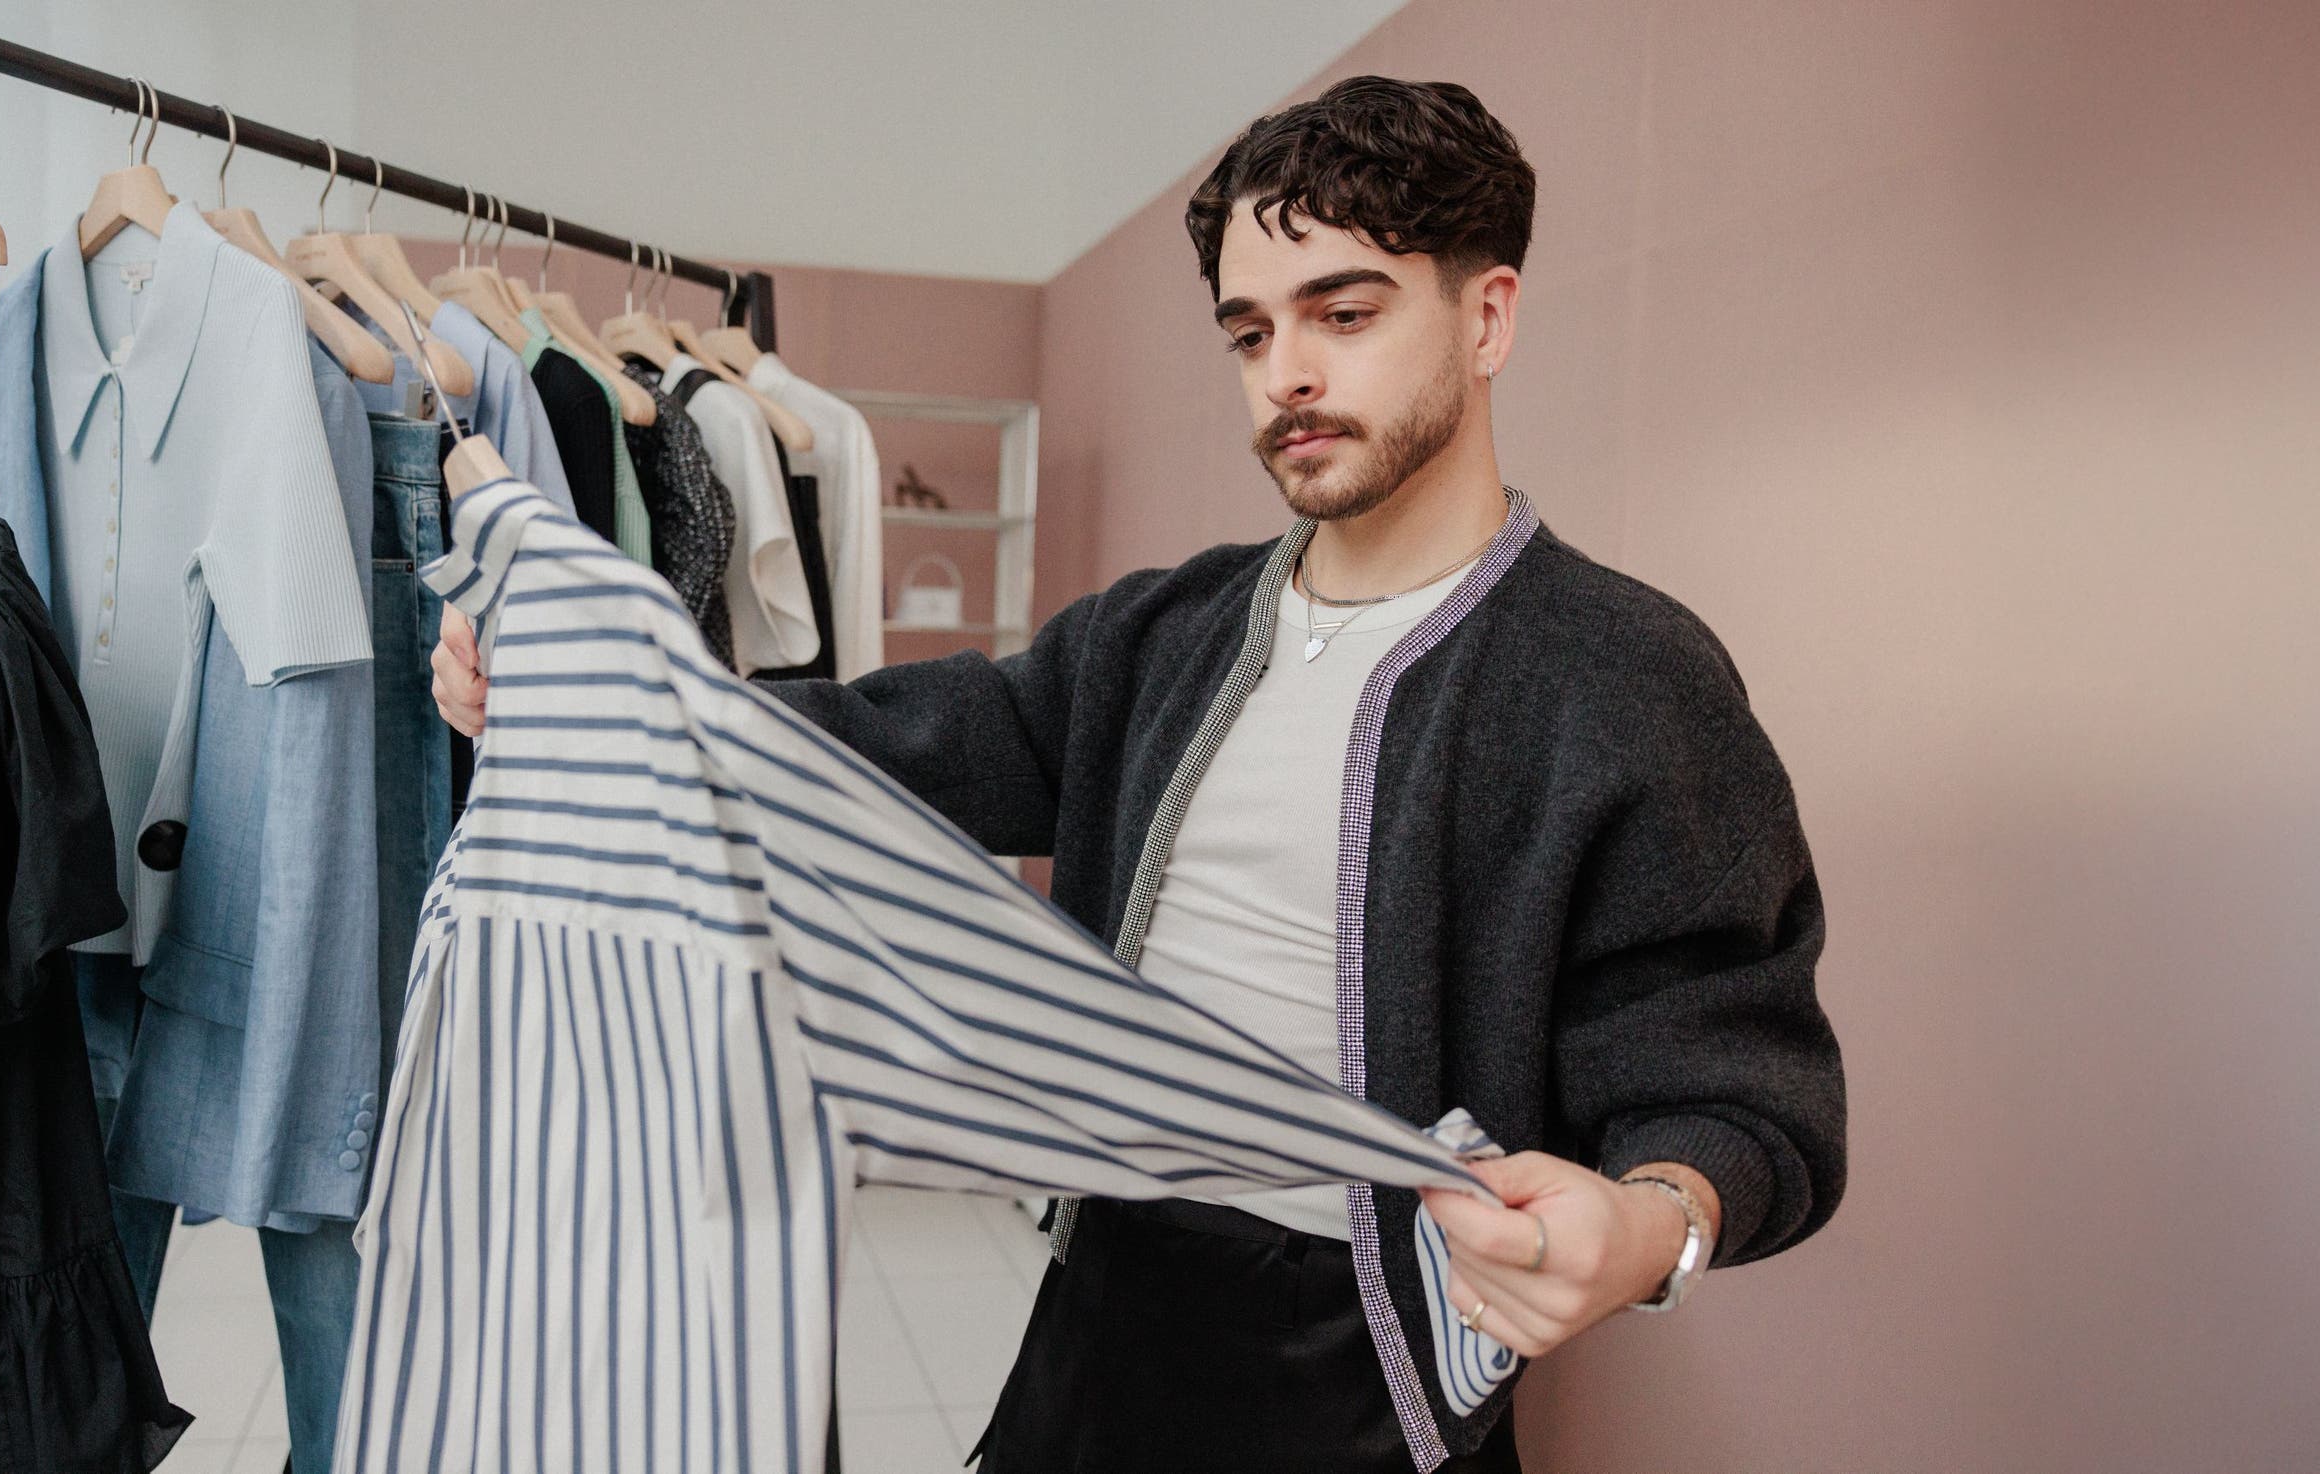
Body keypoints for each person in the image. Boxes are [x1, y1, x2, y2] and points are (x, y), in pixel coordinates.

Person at [431, 74, 1847, 1474]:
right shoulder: (1166, 631)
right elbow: (909, 741)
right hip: (1111, 1291)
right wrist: (598, 697)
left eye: (1344, 315)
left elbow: (1735, 1080)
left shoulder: (1625, 677)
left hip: (1380, 1362)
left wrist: (1651, 1225)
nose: (1286, 372)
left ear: (1487, 317)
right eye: (1250, 332)